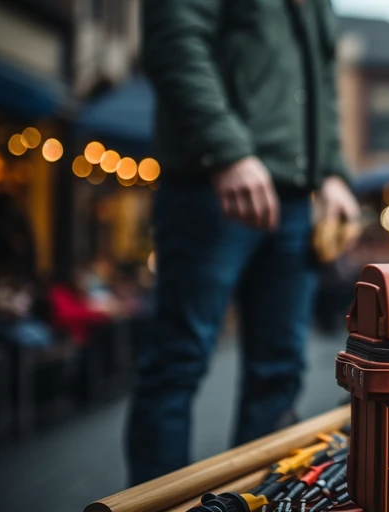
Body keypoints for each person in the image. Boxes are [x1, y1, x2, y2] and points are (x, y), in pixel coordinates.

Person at [128, 0, 360, 484]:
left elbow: (321, 83)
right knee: (179, 362)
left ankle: (253, 499)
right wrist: (228, 151)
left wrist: (334, 171)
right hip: (211, 188)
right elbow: (175, 42)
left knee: (280, 370)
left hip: (296, 201)